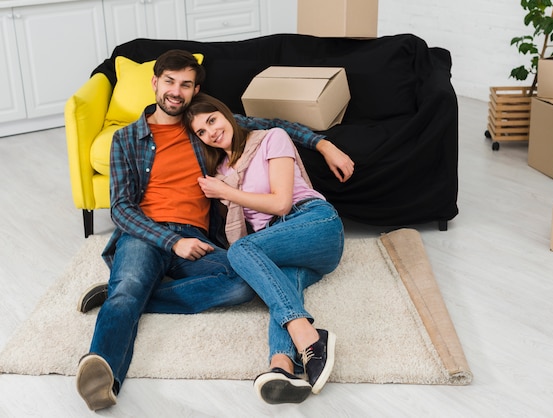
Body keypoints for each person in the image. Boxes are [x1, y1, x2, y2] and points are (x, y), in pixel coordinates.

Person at [75, 50, 354, 411]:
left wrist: (323, 143)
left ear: (195, 90)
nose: (176, 91)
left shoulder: (202, 128)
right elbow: (120, 208)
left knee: (243, 283)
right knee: (127, 292)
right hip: (146, 234)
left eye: (186, 84)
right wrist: (172, 242)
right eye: (170, 82)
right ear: (155, 83)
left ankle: (135, 294)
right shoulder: (126, 140)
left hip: (199, 237)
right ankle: (105, 373)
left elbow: (270, 125)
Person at [183, 93, 345, 405]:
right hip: (276, 247)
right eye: (201, 132)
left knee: (241, 251)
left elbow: (281, 203)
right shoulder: (218, 173)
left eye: (212, 120)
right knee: (282, 289)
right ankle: (281, 368)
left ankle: (311, 337)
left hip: (312, 223)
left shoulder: (272, 138)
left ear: (225, 114)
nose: (211, 132)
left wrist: (227, 192)